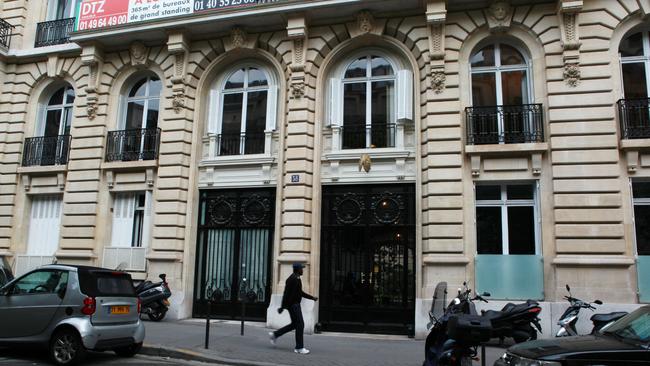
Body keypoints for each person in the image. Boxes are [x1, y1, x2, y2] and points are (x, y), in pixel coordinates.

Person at [269, 263, 317, 354]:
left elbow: (300, 293)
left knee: (295, 324)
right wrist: (282, 307)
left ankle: (275, 335)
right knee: (300, 324)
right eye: (301, 269)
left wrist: (312, 298)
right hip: (294, 305)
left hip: (294, 305)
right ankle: (299, 347)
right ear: (298, 269)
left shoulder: (296, 278)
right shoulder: (293, 279)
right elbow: (286, 294)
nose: (303, 270)